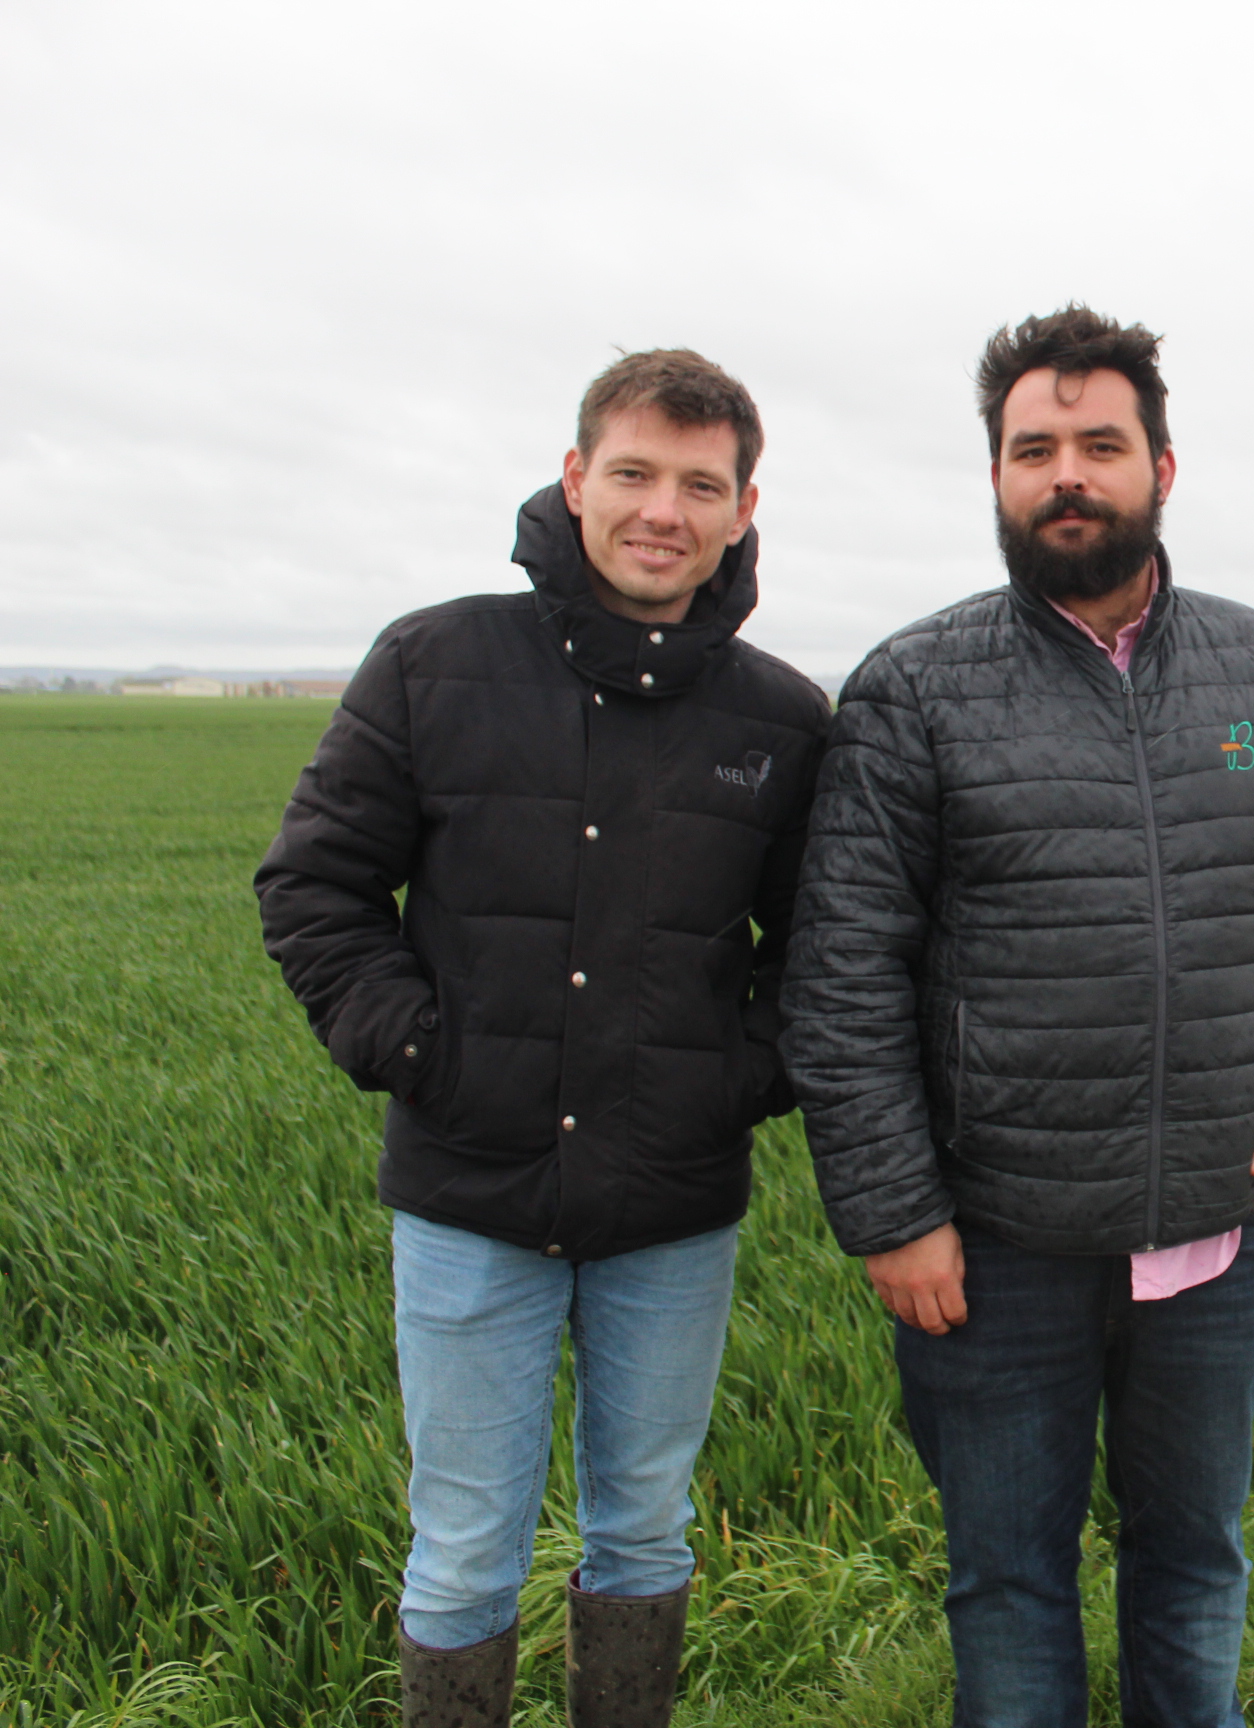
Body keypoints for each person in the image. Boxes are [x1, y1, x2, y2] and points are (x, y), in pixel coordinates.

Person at [781, 306, 1254, 1725]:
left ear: (1162, 470)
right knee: (1007, 1578)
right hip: (992, 1254)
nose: (1069, 473)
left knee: (1193, 1556)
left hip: (1217, 1235)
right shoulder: (915, 689)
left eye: (1100, 445)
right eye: (1034, 448)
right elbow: (844, 971)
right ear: (996, 477)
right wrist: (891, 1213)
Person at [254, 350, 829, 1728]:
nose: (662, 510)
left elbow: (825, 955)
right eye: (633, 472)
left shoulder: (785, 719)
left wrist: (727, 1087)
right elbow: (315, 887)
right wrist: (422, 1057)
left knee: (644, 1533)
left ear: (745, 508)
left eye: (701, 484)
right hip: (468, 1199)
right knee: (461, 1557)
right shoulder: (434, 661)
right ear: (576, 481)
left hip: (672, 1210)